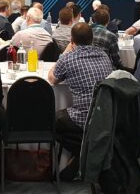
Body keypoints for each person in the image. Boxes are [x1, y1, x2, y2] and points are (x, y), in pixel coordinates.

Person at [48, 23, 114, 181]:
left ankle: (81, 153)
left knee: (50, 121)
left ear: (72, 40)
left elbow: (52, 79)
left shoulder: (69, 59)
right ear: (92, 39)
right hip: (105, 116)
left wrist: (65, 52)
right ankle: (85, 153)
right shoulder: (104, 55)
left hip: (83, 117)